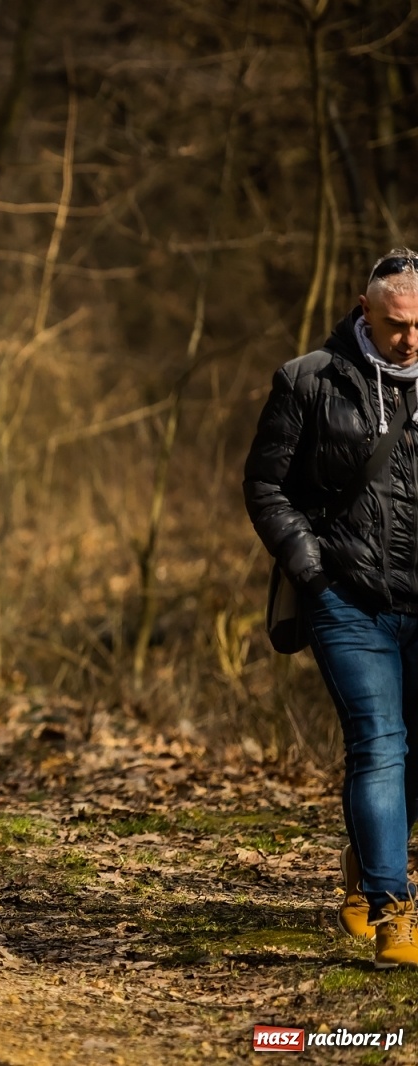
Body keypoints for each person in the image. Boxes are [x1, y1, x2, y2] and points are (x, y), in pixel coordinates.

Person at [245, 248, 418, 969]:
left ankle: (363, 861)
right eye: (396, 325)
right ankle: (394, 910)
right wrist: (311, 569)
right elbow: (265, 484)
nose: (409, 339)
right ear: (363, 308)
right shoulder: (308, 379)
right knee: (379, 743)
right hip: (346, 597)